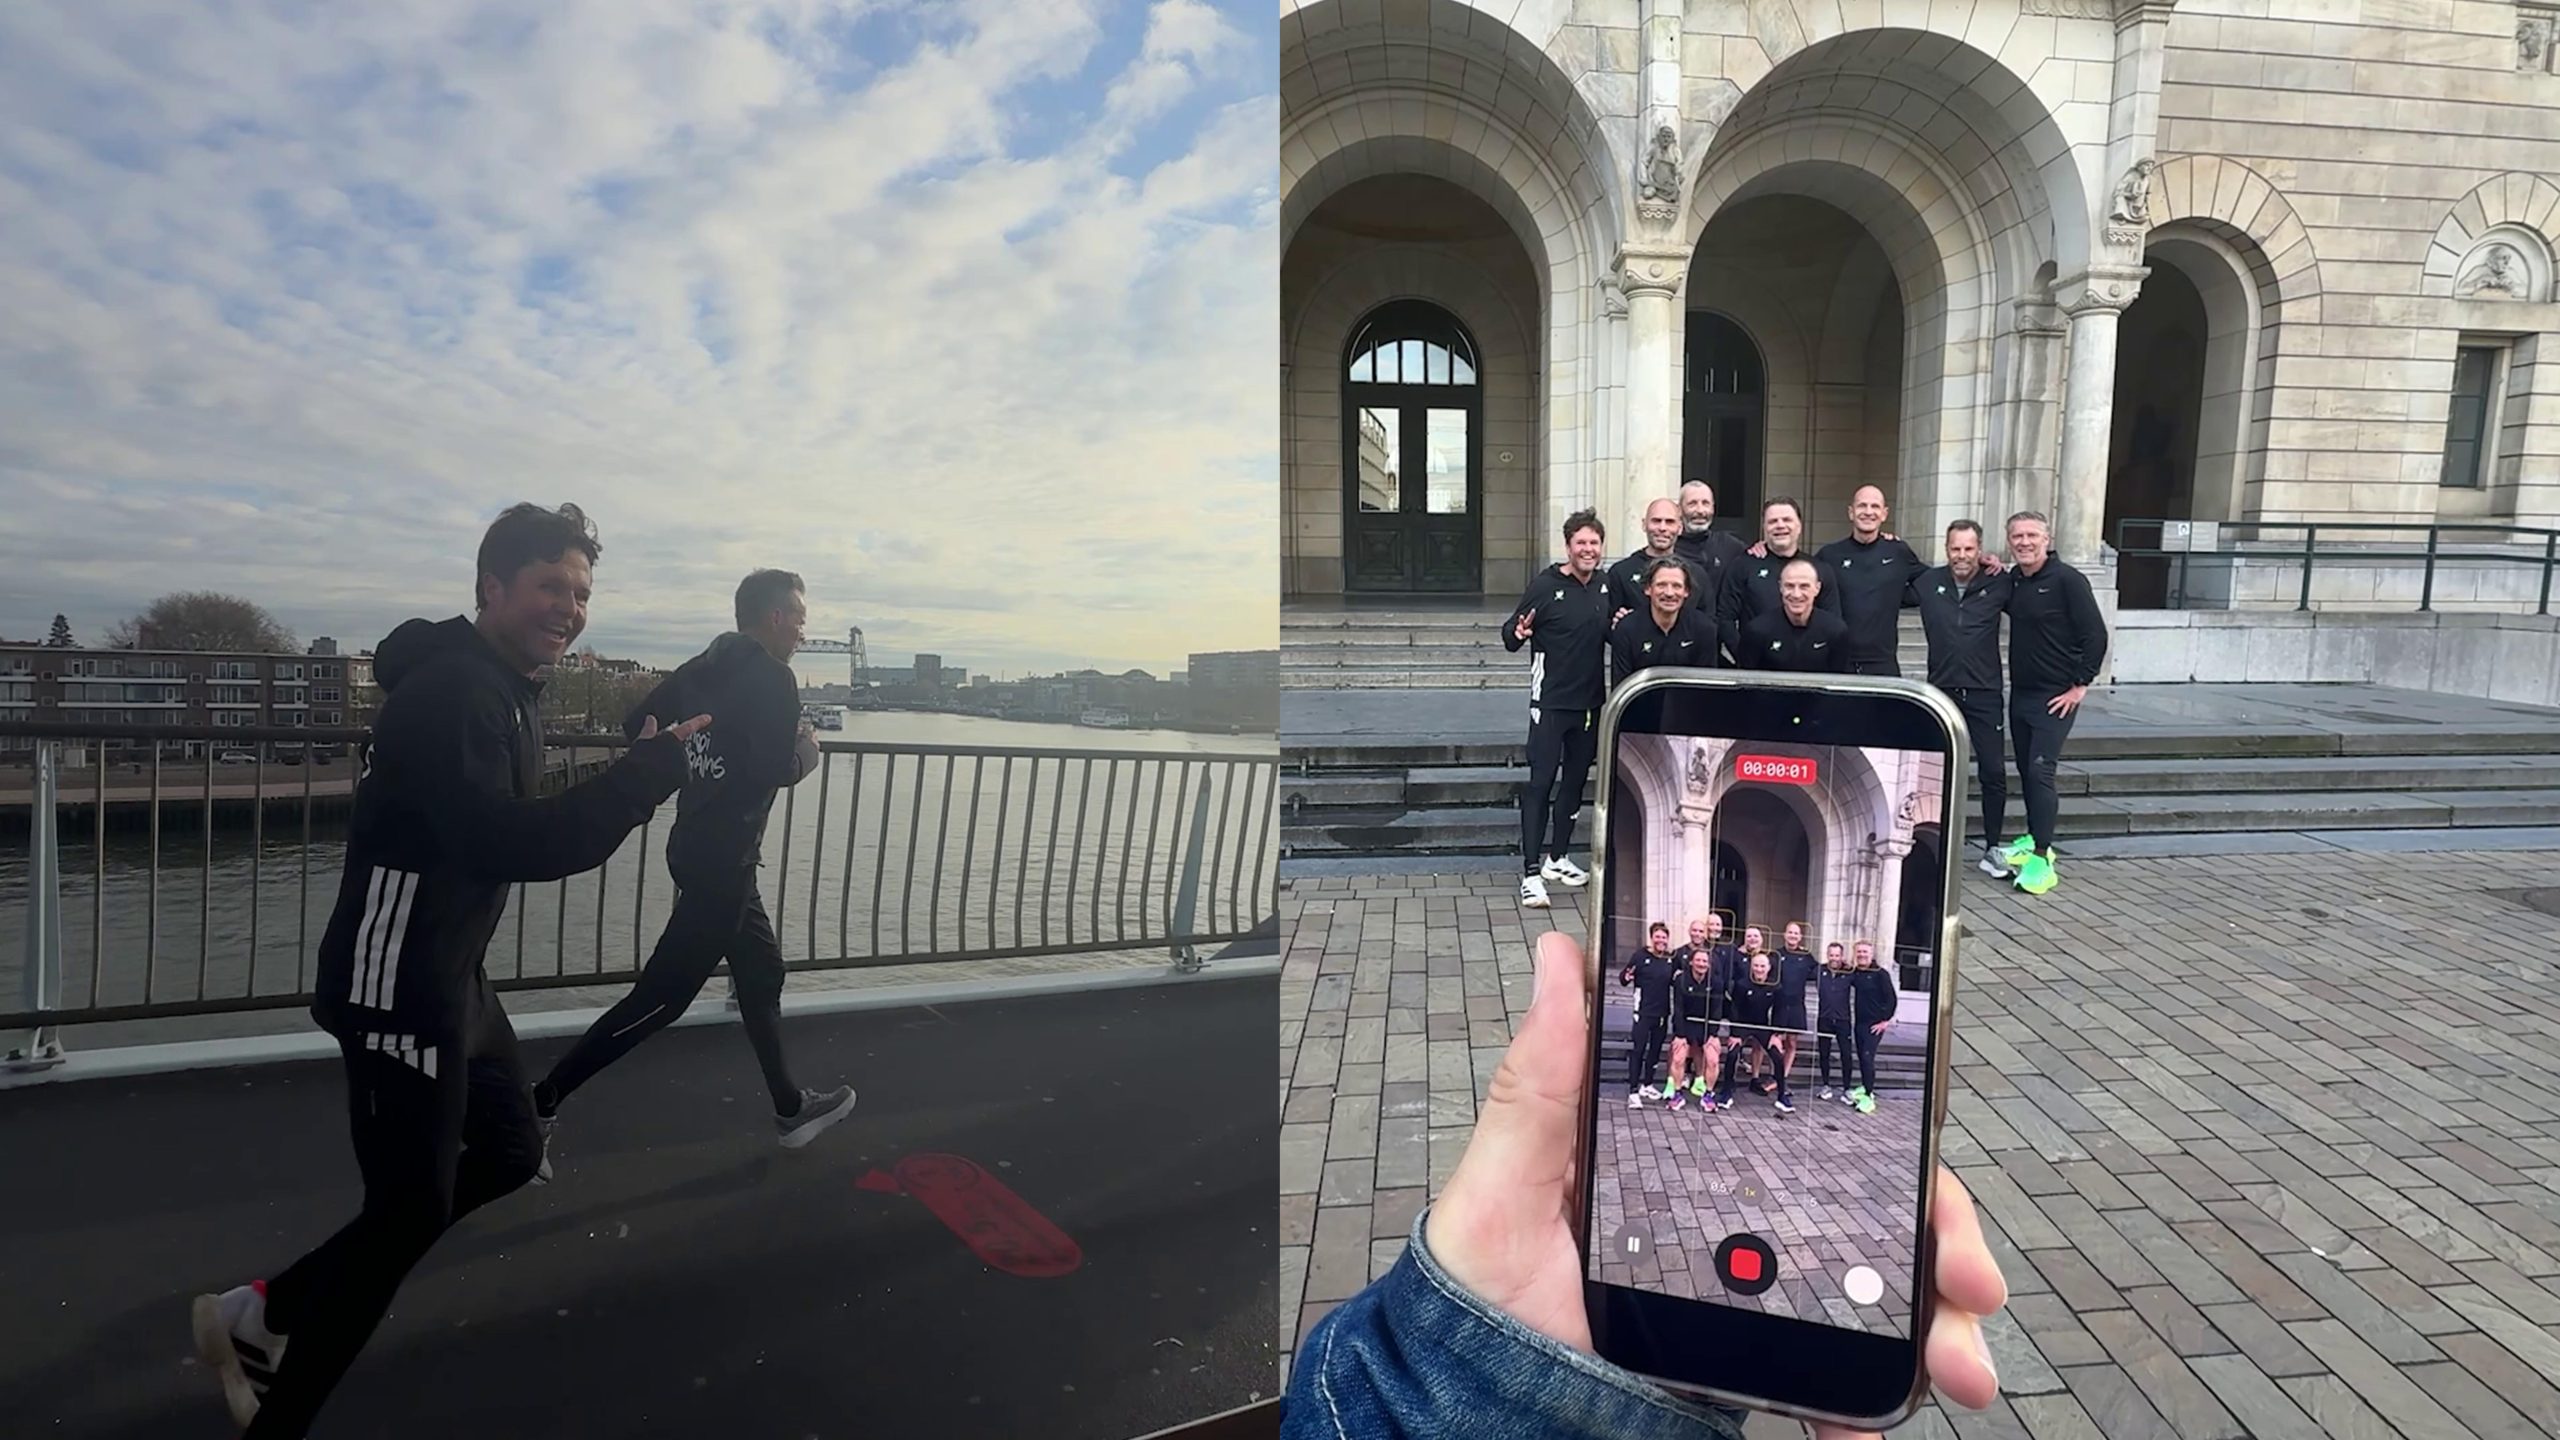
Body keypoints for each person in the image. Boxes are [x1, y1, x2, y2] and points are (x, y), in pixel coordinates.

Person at [191, 504, 708, 1438]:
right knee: (403, 1218)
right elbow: (512, 840)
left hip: (451, 979)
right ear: (492, 588)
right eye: (552, 586)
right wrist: (646, 775)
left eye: (582, 592)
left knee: (511, 1152)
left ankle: (262, 1311)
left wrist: (635, 767)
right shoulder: (452, 696)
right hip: (394, 988)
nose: (570, 607)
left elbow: (503, 816)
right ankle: (271, 1388)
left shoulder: (509, 688)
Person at [1280, 932, 2007, 1438]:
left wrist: (1461, 1369)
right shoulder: (1693, 970)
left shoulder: (1809, 973)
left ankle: (1795, 1093)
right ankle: (1694, 1091)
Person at [532, 570, 857, 1172]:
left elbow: (641, 730)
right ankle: (539, 1105)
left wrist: (701, 755)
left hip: (694, 846)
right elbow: (771, 770)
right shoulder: (772, 677)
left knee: (762, 972)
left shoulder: (699, 669)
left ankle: (790, 1109)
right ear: (775, 618)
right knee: (662, 999)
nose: (804, 631)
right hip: (723, 860)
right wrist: (807, 752)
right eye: (800, 618)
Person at [1501, 509, 1624, 909]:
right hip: (1550, 705)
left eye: (1594, 543)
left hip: (1590, 704)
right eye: (1581, 543)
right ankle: (1531, 871)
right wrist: (1518, 632)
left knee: (1574, 784)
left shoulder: (1605, 586)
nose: (1588, 550)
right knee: (1541, 784)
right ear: (1568, 546)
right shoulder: (1544, 585)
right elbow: (1510, 636)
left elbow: (1608, 631)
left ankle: (1557, 858)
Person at [1999, 512, 2108, 896]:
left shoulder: (2068, 581)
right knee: (2027, 771)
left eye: (2032, 535)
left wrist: (2080, 685)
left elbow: (2095, 634)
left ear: (2047, 538)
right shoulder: (2015, 580)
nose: (2024, 542)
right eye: (2017, 536)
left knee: (2041, 771)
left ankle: (2043, 858)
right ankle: (2033, 836)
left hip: (2055, 697)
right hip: (2022, 694)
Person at [1915, 521, 2016, 878]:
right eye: (1955, 548)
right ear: (1946, 548)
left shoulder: (2000, 582)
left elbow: (2038, 584)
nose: (1962, 556)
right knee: (1935, 773)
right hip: (1941, 692)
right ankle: (1934, 846)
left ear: (1979, 549)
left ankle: (1992, 848)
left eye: (1969, 549)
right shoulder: (1927, 582)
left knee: (1992, 771)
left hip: (1984, 692)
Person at [1813, 486, 1925, 676]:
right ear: (1851, 512)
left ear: (1884, 514)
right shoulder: (1829, 555)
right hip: (1838, 662)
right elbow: (1801, 583)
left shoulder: (1898, 552)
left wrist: (1978, 564)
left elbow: (1930, 580)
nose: (1868, 512)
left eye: (1875, 506)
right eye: (1862, 506)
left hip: (1883, 663)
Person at [1718, 497, 1841, 663]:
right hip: (1759, 672)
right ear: (1764, 527)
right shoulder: (1743, 565)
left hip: (1810, 672)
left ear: (1799, 527)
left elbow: (1832, 623)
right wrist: (1745, 657)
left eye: (1787, 520)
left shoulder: (1819, 570)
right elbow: (1725, 618)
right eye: (1773, 521)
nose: (1780, 525)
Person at [1607, 553, 1720, 682]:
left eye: (1677, 586)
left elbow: (1706, 687)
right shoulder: (1626, 629)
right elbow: (1621, 688)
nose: (1669, 593)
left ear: (1686, 591)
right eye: (1661, 585)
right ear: (1648, 589)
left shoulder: (1704, 629)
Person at [1733, 557, 1852, 673]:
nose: (1796, 594)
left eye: (1804, 586)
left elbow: (1839, 683)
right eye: (1789, 586)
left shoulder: (1835, 631)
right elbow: (1746, 683)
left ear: (1817, 588)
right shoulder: (1757, 631)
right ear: (1780, 587)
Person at [1606, 498, 1708, 624]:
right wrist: (1620, 624)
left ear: (1680, 528)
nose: (1662, 528)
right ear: (1644, 524)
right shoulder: (1620, 573)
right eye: (1656, 521)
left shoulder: (1696, 574)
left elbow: (1708, 623)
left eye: (1669, 522)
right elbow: (1608, 624)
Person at [1618, 923, 1680, 1108]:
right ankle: (1633, 1091)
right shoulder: (1639, 956)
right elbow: (1623, 978)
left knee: (1655, 1050)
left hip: (1662, 1013)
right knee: (1639, 1050)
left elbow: (1676, 978)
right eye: (1657, 937)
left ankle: (1648, 1084)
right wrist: (1626, 977)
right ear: (1652, 938)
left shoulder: (1671, 959)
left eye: (1664, 937)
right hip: (1643, 1013)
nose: (1661, 941)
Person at [1672, 479, 1749, 611]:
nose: (1700, 510)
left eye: (1705, 503)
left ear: (1713, 507)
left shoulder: (1730, 545)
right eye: (1692, 504)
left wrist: (1763, 547)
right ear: (1679, 509)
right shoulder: (1669, 548)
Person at [1768, 921, 1819, 1113]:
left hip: (1797, 1006)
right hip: (1779, 1005)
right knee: (1776, 1043)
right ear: (1785, 935)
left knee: (1791, 1043)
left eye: (1796, 934)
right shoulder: (1776, 954)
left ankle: (1784, 1078)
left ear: (1800, 937)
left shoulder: (1806, 956)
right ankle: (1775, 1076)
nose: (1793, 936)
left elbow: (1819, 972)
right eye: (1790, 932)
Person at [1845, 940, 1900, 1114]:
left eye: (1865, 952)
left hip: (1874, 1025)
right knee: (1862, 1057)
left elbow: (1891, 998)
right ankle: (1864, 1086)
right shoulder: (1855, 973)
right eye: (1859, 952)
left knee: (1868, 1058)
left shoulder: (1880, 974)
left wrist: (1886, 1021)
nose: (1862, 955)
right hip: (1859, 1023)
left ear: (1871, 954)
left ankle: (1869, 1096)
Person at [1665, 945, 1721, 1112]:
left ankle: (1708, 1095)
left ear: (1709, 964)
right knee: (1678, 1058)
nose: (1701, 964)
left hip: (1705, 1025)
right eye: (1698, 960)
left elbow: (1716, 1010)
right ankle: (1677, 1094)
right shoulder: (1680, 980)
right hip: (1686, 1024)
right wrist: (1680, 1035)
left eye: (1705, 961)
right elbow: (1679, 1009)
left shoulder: (1716, 982)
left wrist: (1713, 1034)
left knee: (1713, 1059)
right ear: (1691, 962)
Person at [1814, 942, 1856, 1102]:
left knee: (1846, 1054)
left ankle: (1846, 1088)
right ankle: (1826, 1085)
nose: (1834, 958)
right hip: (1824, 1019)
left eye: (1837, 955)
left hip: (1843, 1020)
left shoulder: (1849, 972)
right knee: (1824, 1053)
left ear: (1842, 956)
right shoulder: (1820, 970)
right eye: (1831, 955)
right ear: (1827, 955)